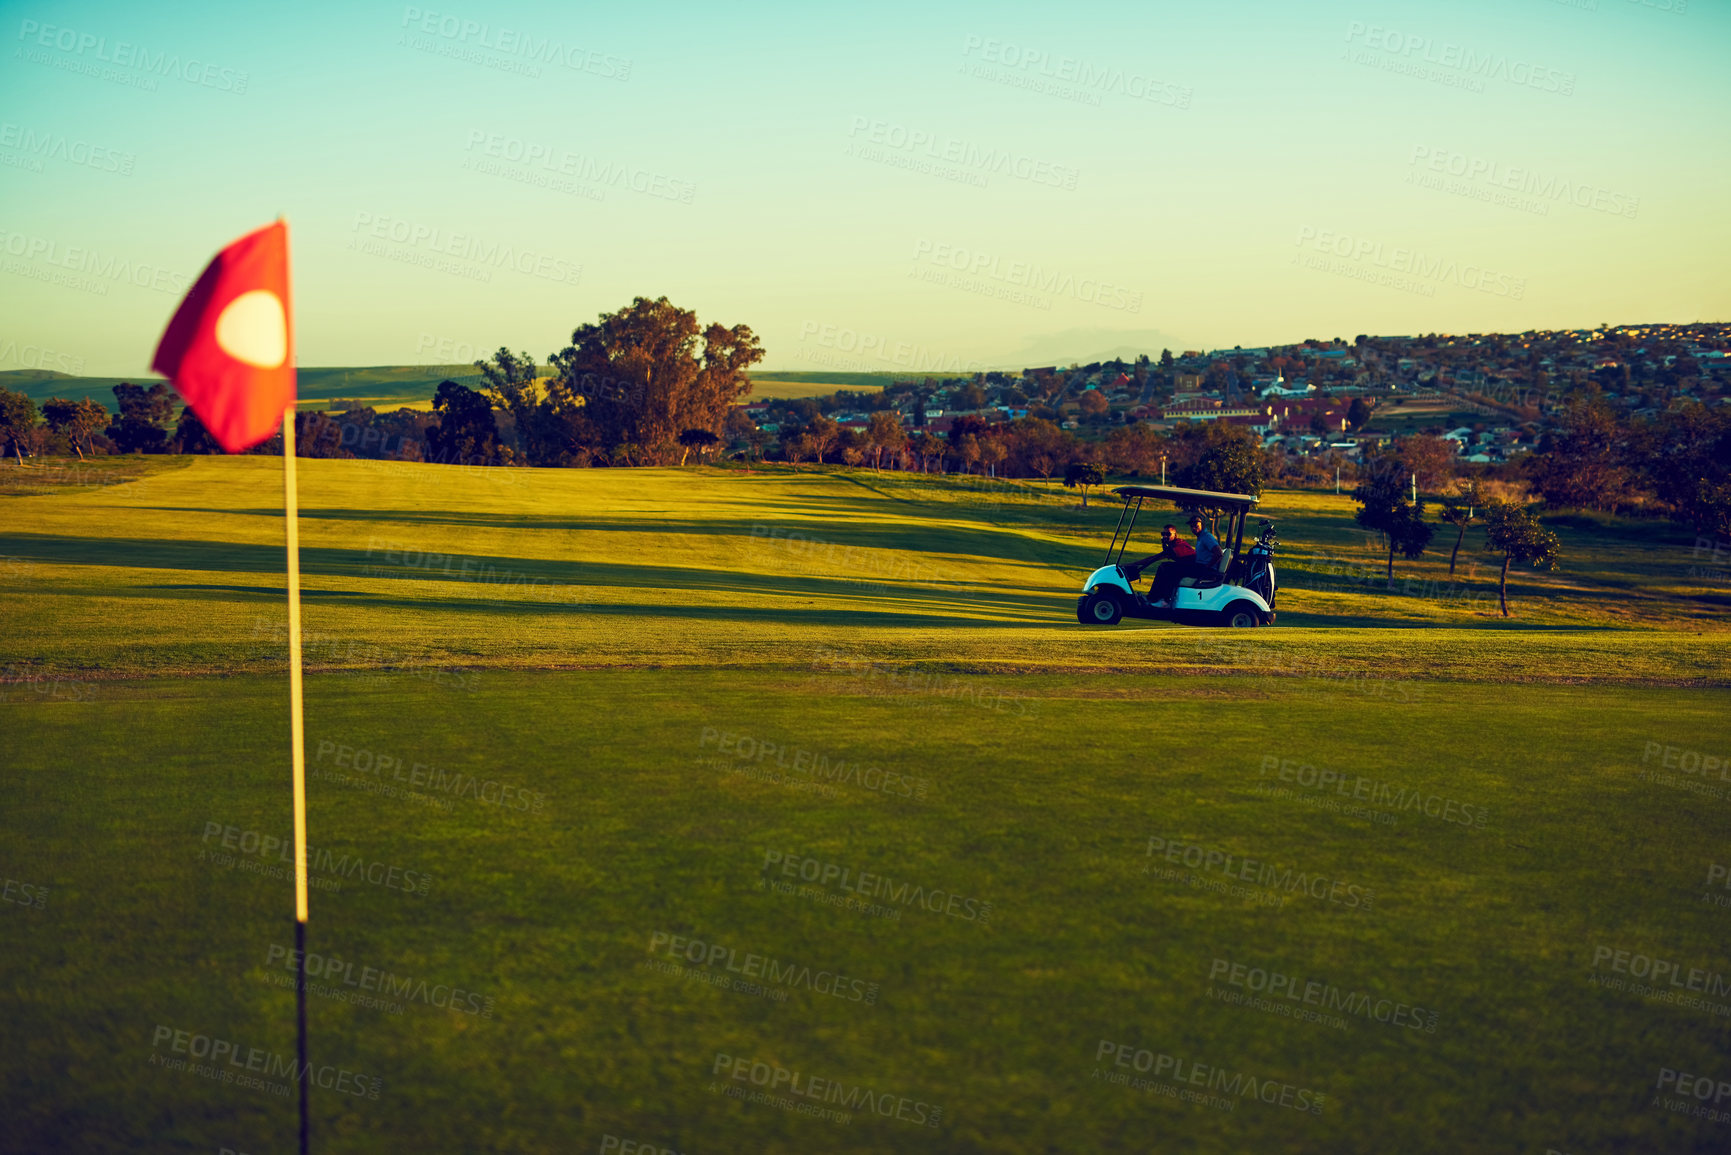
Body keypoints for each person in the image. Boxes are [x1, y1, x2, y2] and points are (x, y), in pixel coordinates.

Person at [1149, 514, 1225, 608]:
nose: (1193, 528)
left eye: (1196, 526)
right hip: (1201, 567)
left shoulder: (1206, 537)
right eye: (1192, 526)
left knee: (1169, 568)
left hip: (1205, 569)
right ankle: (1154, 598)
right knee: (1165, 566)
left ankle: (1165, 601)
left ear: (1202, 525)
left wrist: (1207, 566)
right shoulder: (1201, 537)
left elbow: (1219, 553)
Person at [1124, 525, 1192, 589]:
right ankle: (1155, 596)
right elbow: (1153, 558)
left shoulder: (1179, 544)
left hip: (1191, 568)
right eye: (1163, 534)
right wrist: (1133, 564)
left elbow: (1172, 554)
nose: (1165, 536)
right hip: (1184, 566)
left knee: (1164, 567)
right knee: (1164, 567)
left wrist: (1164, 546)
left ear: (1175, 535)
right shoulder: (1172, 546)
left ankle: (1159, 597)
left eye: (1168, 534)